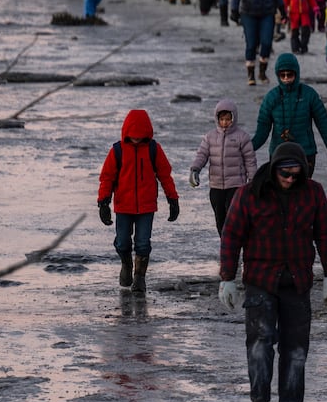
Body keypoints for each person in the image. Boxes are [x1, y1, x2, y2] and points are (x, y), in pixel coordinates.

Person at [217, 141, 327, 402]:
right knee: (260, 347)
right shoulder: (249, 194)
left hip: (297, 283)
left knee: (296, 350)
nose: (290, 180)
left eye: (296, 175)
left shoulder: (313, 193)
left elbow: (325, 233)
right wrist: (227, 279)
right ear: (274, 170)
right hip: (261, 282)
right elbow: (231, 236)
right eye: (285, 173)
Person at [97, 109, 179, 295]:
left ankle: (139, 278)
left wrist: (172, 198)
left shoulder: (153, 149)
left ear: (146, 134)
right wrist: (103, 202)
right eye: (132, 136)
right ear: (126, 133)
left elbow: (165, 176)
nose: (136, 139)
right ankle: (126, 264)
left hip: (146, 207)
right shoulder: (117, 150)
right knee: (122, 242)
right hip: (123, 206)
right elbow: (107, 178)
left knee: (143, 243)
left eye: (140, 137)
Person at [252, 52, 327, 173]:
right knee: (280, 189)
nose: (286, 79)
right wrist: (248, 149)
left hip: (305, 152)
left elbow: (323, 123)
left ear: (296, 73)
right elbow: (262, 130)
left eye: (289, 74)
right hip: (279, 153)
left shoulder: (309, 95)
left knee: (302, 190)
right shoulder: (271, 98)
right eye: (282, 75)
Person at [189, 100, 257, 235]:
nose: (225, 122)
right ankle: (225, 243)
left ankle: (236, 241)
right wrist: (195, 169)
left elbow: (250, 160)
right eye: (222, 119)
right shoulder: (210, 137)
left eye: (228, 119)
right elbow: (202, 155)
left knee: (233, 216)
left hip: (236, 185)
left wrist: (253, 181)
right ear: (217, 119)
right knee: (220, 217)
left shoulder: (242, 137)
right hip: (216, 186)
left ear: (234, 118)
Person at [230, 0, 284, 85]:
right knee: (251, 44)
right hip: (249, 13)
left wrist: (282, 9)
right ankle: (250, 75)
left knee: (266, 43)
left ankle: (262, 72)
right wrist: (234, 10)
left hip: (267, 12)